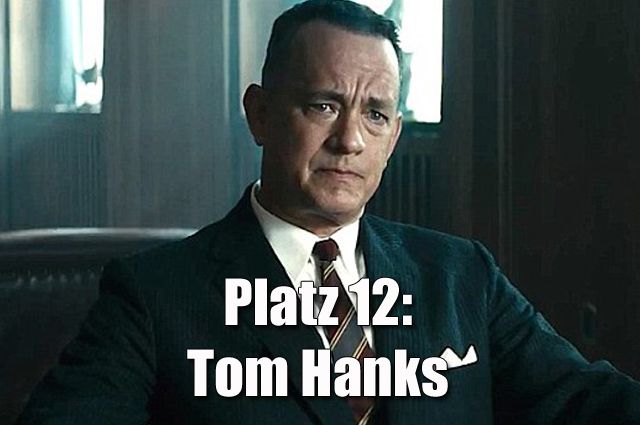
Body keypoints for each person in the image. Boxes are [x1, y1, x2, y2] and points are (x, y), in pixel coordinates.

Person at [18, 1, 640, 424]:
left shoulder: (462, 276)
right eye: (323, 105)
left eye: (375, 114)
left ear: (394, 137)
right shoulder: (154, 296)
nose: (350, 140)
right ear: (260, 114)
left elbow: (584, 399)